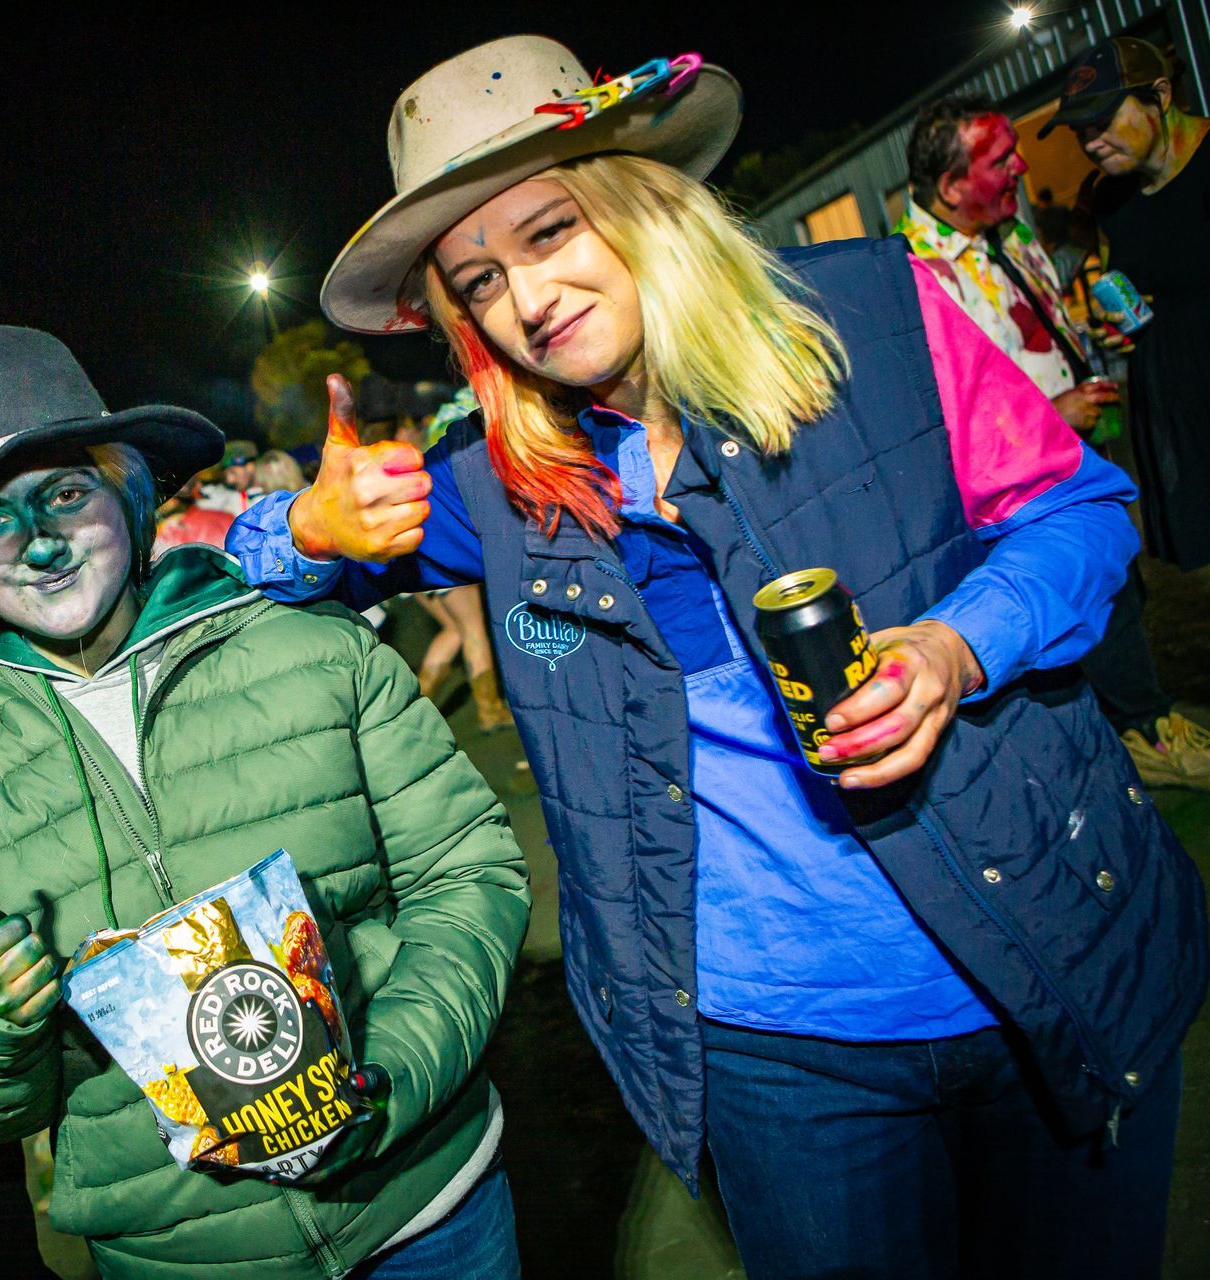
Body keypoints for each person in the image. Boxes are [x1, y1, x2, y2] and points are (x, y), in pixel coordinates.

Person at [227, 35, 1206, 1279]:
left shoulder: (876, 318)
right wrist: (303, 526)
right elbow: (251, 565)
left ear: (638, 198)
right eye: (478, 278)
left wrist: (962, 646)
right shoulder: (494, 487)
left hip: (1046, 961)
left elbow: (1080, 511)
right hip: (777, 1059)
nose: (527, 299)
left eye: (551, 232)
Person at [0, 326, 531, 1279]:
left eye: (65, 494)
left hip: (422, 1211)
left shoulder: (308, 648)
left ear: (129, 494)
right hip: (184, 1260)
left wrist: (395, 1075)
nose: (41, 544)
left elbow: (468, 873)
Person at [897, 95, 1207, 790]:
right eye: (1000, 159)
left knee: (1119, 583)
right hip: (1017, 497)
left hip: (1079, 457)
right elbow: (947, 412)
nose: (1022, 167)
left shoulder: (1004, 232)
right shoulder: (913, 277)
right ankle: (1145, 739)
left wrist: (1093, 343)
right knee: (1094, 617)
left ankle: (1138, 729)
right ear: (950, 186)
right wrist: (1052, 410)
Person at [1044, 37, 1209, 573]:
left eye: (1103, 122)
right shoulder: (1111, 199)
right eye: (1081, 131)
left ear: (1159, 96)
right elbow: (1132, 291)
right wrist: (1119, 324)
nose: (1091, 143)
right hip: (1179, 412)